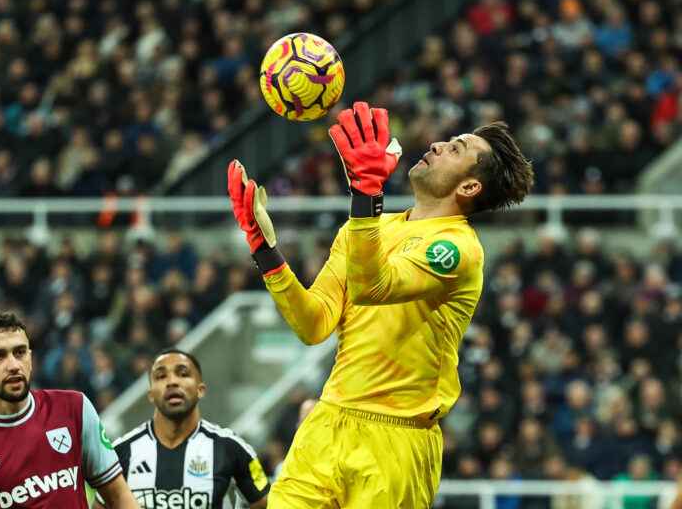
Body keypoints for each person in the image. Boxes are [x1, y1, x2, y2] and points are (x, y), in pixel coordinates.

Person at [227, 101, 534, 507]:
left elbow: (373, 286)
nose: (438, 144)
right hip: (327, 423)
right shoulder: (368, 226)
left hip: (397, 441)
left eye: (457, 149)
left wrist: (366, 193)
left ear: (469, 187)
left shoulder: (458, 250)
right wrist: (265, 250)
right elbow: (313, 324)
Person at [0, 311, 139, 508]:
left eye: (19, 352)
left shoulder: (75, 408)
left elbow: (119, 495)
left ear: (30, 358)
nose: (13, 365)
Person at [92, 347, 269, 509]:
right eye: (161, 376)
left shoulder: (231, 449)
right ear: (151, 394)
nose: (172, 382)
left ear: (200, 390)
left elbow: (269, 505)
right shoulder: (120, 453)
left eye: (183, 374)